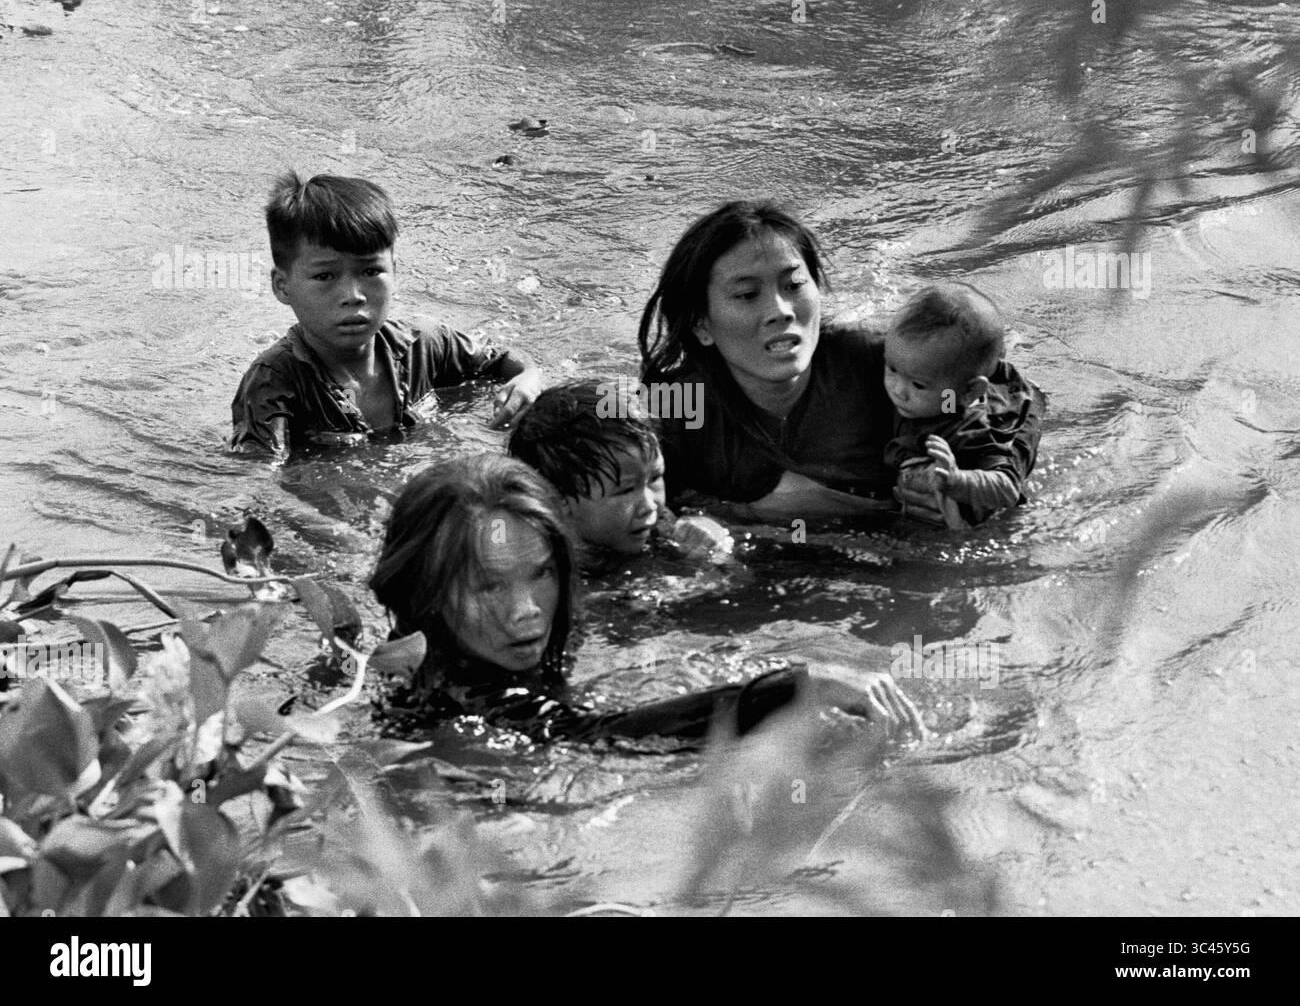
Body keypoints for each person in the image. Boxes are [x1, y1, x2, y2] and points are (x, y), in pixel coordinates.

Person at [369, 454, 924, 743]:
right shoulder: (450, 682)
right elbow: (587, 735)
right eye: (490, 585)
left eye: (540, 573)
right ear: (428, 595)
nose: (527, 610)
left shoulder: (543, 614)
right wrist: (789, 689)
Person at [637, 201, 1042, 526]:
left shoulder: (877, 365)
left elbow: (1014, 393)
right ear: (702, 325)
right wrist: (736, 516)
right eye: (746, 294)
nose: (780, 310)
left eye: (794, 285)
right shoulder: (678, 402)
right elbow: (614, 482)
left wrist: (970, 496)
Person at [229, 173, 542, 461]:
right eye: (325, 276)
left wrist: (528, 378)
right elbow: (261, 479)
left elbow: (501, 360)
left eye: (370, 271)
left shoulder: (424, 345)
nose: (353, 295)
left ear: (396, 274)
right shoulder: (272, 381)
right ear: (282, 287)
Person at [506, 379, 733, 572]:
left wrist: (713, 540)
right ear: (557, 503)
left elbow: (738, 575)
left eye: (654, 478)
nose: (649, 504)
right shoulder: (539, 564)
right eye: (625, 490)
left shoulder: (660, 524)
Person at [883, 284, 1047, 526]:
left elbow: (1008, 489)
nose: (897, 390)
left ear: (969, 392)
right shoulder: (918, 373)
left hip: (1005, 402)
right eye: (892, 369)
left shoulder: (970, 430)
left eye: (917, 385)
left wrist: (958, 480)